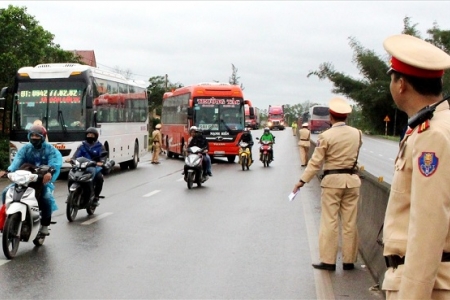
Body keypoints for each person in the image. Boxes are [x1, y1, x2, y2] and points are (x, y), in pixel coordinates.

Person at [380, 34, 450, 299]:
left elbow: (428, 227)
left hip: (425, 286)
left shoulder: (432, 135)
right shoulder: (433, 126)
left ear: (400, 85)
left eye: (392, 78)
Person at [292, 97, 362, 272]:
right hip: (352, 181)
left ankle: (329, 261)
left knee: (329, 221)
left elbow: (315, 163)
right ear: (346, 116)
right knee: (349, 222)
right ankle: (349, 260)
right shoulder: (357, 133)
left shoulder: (326, 136)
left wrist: (301, 181)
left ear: (331, 117)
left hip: (332, 182)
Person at [0, 125, 62, 236]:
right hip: (25, 179)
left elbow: (55, 163)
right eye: (32, 135)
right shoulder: (25, 148)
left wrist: (50, 172)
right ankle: (8, 216)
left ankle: (45, 225)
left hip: (41, 180)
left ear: (42, 137)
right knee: (6, 192)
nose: (34, 138)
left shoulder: (50, 149)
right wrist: (7, 171)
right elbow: (17, 161)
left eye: (37, 136)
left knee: (46, 198)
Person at [70, 127, 106, 206]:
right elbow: (76, 155)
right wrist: (72, 160)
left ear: (96, 136)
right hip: (82, 167)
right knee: (71, 176)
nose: (90, 136)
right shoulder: (82, 146)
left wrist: (101, 162)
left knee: (99, 178)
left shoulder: (100, 146)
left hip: (94, 167)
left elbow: (103, 157)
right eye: (88, 134)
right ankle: (72, 194)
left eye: (92, 135)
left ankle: (95, 197)